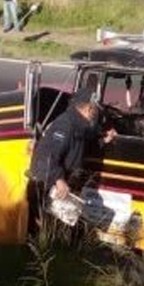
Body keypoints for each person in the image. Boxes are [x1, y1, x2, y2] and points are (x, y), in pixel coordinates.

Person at [26, 86, 116, 230]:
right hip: (46, 186)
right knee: (46, 228)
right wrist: (59, 179)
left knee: (61, 228)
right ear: (88, 109)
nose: (96, 114)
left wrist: (103, 141)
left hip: (58, 186)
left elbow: (80, 148)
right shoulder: (66, 125)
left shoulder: (79, 125)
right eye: (95, 110)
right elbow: (47, 155)